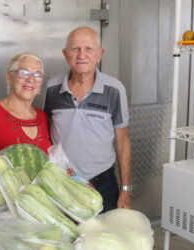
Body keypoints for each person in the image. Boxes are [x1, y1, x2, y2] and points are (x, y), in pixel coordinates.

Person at [44, 26, 132, 212]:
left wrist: (125, 189)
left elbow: (123, 142)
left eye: (89, 49)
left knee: (102, 238)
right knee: (65, 238)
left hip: (103, 183)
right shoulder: (51, 88)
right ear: (66, 54)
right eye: (75, 49)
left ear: (100, 54)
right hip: (61, 182)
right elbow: (45, 131)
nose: (81, 54)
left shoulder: (115, 89)